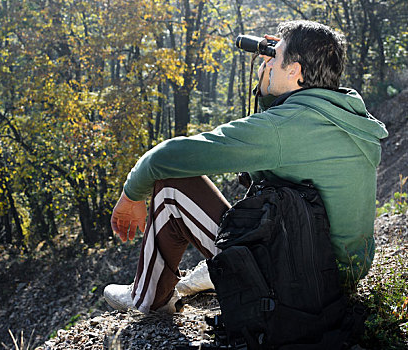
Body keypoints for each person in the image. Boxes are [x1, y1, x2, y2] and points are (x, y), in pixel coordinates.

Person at [104, 20, 388, 314]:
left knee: (171, 185)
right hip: (341, 276)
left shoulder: (284, 129)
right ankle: (211, 274)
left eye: (275, 57)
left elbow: (167, 157)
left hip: (295, 282)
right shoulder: (347, 116)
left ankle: (146, 299)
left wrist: (130, 196)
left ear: (295, 70)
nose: (267, 63)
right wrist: (276, 74)